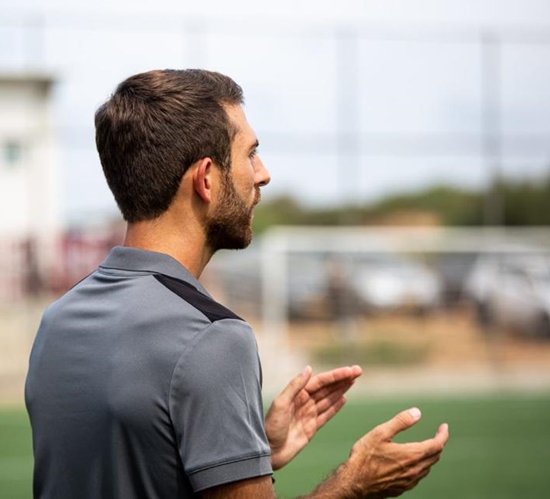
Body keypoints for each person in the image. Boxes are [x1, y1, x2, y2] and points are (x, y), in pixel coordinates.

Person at [25, 69, 449, 498]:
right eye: (251, 154)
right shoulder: (212, 337)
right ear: (206, 179)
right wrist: (354, 485)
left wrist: (242, 450)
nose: (263, 174)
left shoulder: (58, 320)